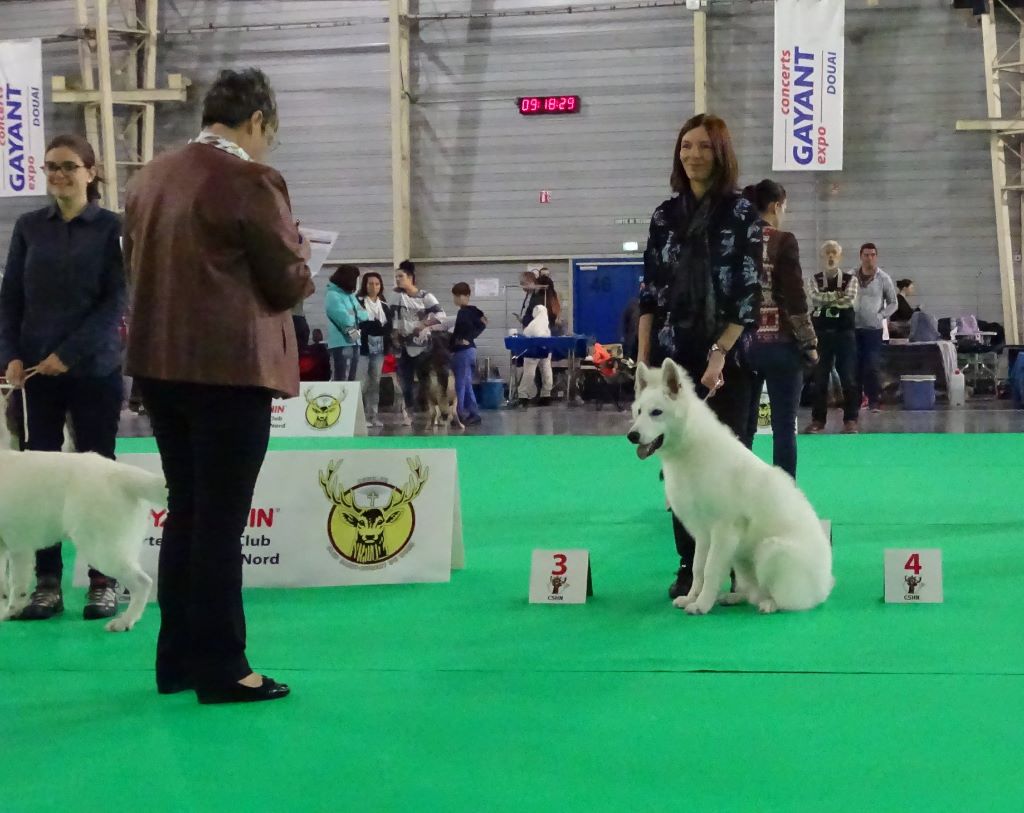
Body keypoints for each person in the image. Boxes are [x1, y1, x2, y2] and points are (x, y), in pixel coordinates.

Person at [123, 67, 313, 703]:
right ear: (257, 121)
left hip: (159, 365)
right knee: (220, 523)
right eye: (270, 133)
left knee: (187, 512)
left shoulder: (150, 177)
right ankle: (225, 667)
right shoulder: (253, 180)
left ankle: (175, 658)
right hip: (229, 370)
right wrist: (301, 251)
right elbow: (285, 281)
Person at [0, 133, 126, 622]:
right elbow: (10, 297)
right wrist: (10, 354)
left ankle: (103, 580)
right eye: (51, 166)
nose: (59, 175)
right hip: (35, 378)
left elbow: (115, 302)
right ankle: (46, 585)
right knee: (39, 481)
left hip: (95, 371)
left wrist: (68, 354)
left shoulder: (113, 228)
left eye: (69, 166)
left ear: (91, 172)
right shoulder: (29, 227)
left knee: (99, 477)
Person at [637, 113, 762, 600]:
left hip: (730, 361)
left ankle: (733, 568)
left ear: (721, 153)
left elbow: (749, 296)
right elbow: (649, 292)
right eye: (687, 145)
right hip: (673, 359)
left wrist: (719, 352)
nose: (693, 154)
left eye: (704, 147)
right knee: (679, 468)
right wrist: (645, 363)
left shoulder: (742, 215)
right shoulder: (665, 216)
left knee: (726, 469)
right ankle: (689, 566)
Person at [741, 180, 817, 478]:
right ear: (775, 206)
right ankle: (783, 500)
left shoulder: (738, 240)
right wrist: (809, 342)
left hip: (744, 346)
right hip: (781, 347)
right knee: (784, 427)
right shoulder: (784, 240)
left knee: (743, 427)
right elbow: (795, 297)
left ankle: (738, 497)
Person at [805, 241, 860, 434]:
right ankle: (818, 420)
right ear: (822, 256)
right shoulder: (814, 279)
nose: (830, 256)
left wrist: (827, 298)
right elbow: (814, 298)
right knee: (820, 378)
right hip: (821, 335)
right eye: (827, 253)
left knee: (848, 377)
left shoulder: (851, 279)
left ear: (840, 256)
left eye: (834, 253)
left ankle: (851, 420)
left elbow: (849, 301)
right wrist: (836, 297)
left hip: (844, 334)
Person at [392, 260, 447, 424]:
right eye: (396, 277)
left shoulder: (426, 296)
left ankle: (432, 411)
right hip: (403, 347)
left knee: (426, 382)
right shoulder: (397, 297)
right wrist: (394, 334)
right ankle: (408, 413)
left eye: (401, 276)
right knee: (405, 383)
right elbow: (392, 317)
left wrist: (424, 324)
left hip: (423, 348)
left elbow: (441, 316)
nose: (398, 280)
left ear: (410, 278)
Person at [853, 243, 898, 412]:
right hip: (853, 328)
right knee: (854, 366)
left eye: (872, 255)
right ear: (861, 256)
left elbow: (894, 302)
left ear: (876, 257)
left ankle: (874, 400)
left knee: (871, 365)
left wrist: (881, 315)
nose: (869, 258)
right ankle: (855, 402)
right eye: (866, 255)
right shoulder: (851, 277)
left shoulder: (884, 278)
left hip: (873, 329)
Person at [356, 271, 392, 428]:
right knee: (361, 383)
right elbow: (359, 325)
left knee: (375, 382)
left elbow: (388, 327)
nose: (374, 286)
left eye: (377, 284)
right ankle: (358, 416)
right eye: (370, 283)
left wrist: (377, 327)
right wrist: (375, 326)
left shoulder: (384, 306)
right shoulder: (358, 302)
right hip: (362, 349)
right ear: (365, 285)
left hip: (379, 349)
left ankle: (373, 415)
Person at [450, 282, 486, 426]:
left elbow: (458, 331)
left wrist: (461, 340)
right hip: (471, 350)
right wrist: (471, 338)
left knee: (460, 384)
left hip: (462, 351)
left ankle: (460, 413)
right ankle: (473, 412)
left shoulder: (463, 312)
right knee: (466, 382)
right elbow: (483, 323)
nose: (455, 299)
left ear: (464, 296)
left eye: (457, 296)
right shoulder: (474, 311)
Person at [325, 265, 368, 381]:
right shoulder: (332, 295)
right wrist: (354, 313)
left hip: (355, 340)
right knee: (341, 378)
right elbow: (344, 318)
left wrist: (353, 313)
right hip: (340, 341)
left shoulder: (351, 296)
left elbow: (364, 315)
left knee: (352, 378)